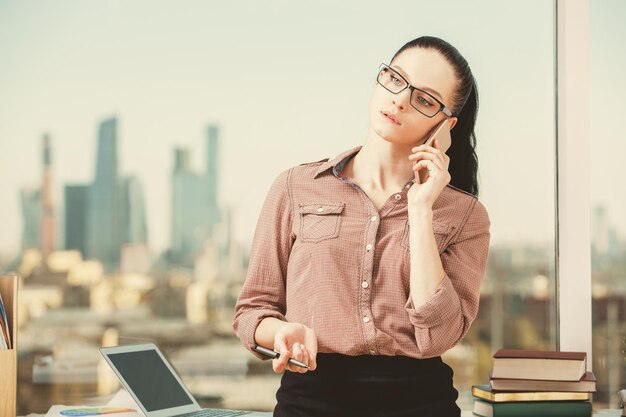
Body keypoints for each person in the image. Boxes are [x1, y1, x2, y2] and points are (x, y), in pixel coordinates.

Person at [232, 35, 491, 417]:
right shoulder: (295, 187)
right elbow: (252, 310)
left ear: (445, 125)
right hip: (310, 402)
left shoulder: (464, 215)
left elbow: (439, 334)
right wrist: (280, 332)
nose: (400, 99)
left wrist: (421, 210)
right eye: (396, 79)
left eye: (424, 99)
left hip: (421, 406)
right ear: (378, 81)